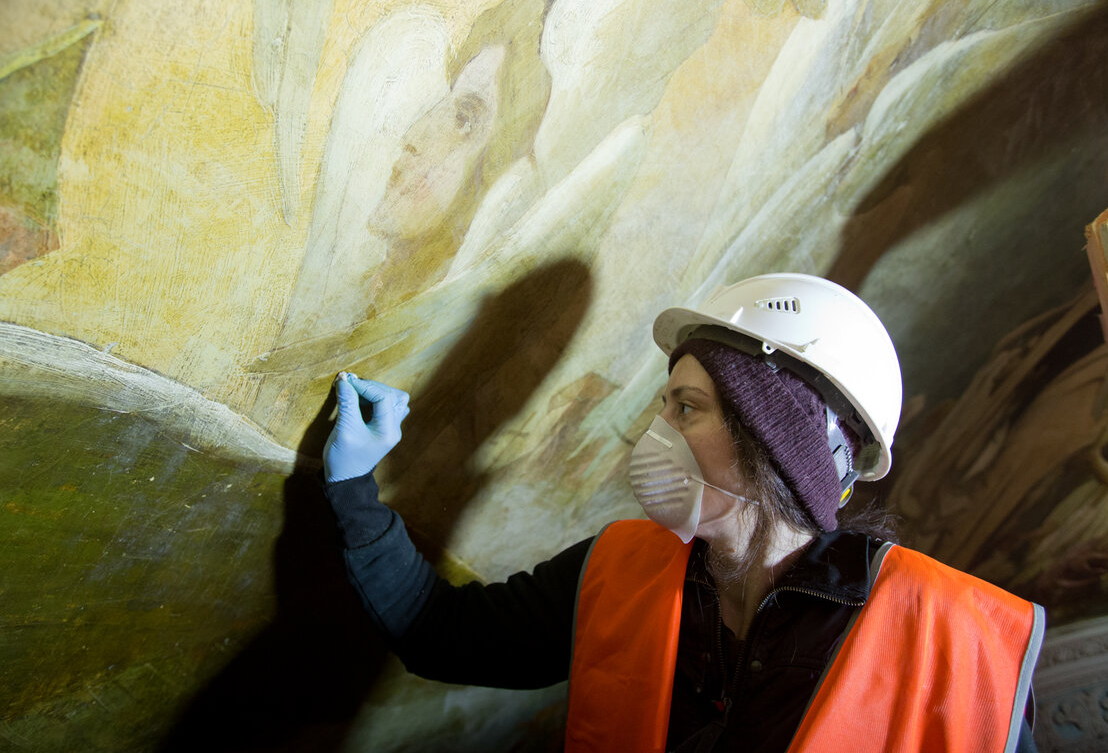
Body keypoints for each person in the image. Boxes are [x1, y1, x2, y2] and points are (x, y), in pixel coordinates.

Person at [321, 273, 1044, 753]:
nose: (653, 431)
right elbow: (442, 635)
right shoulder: (618, 571)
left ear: (777, 442)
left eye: (685, 407)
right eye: (664, 402)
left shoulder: (952, 637)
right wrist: (354, 481)